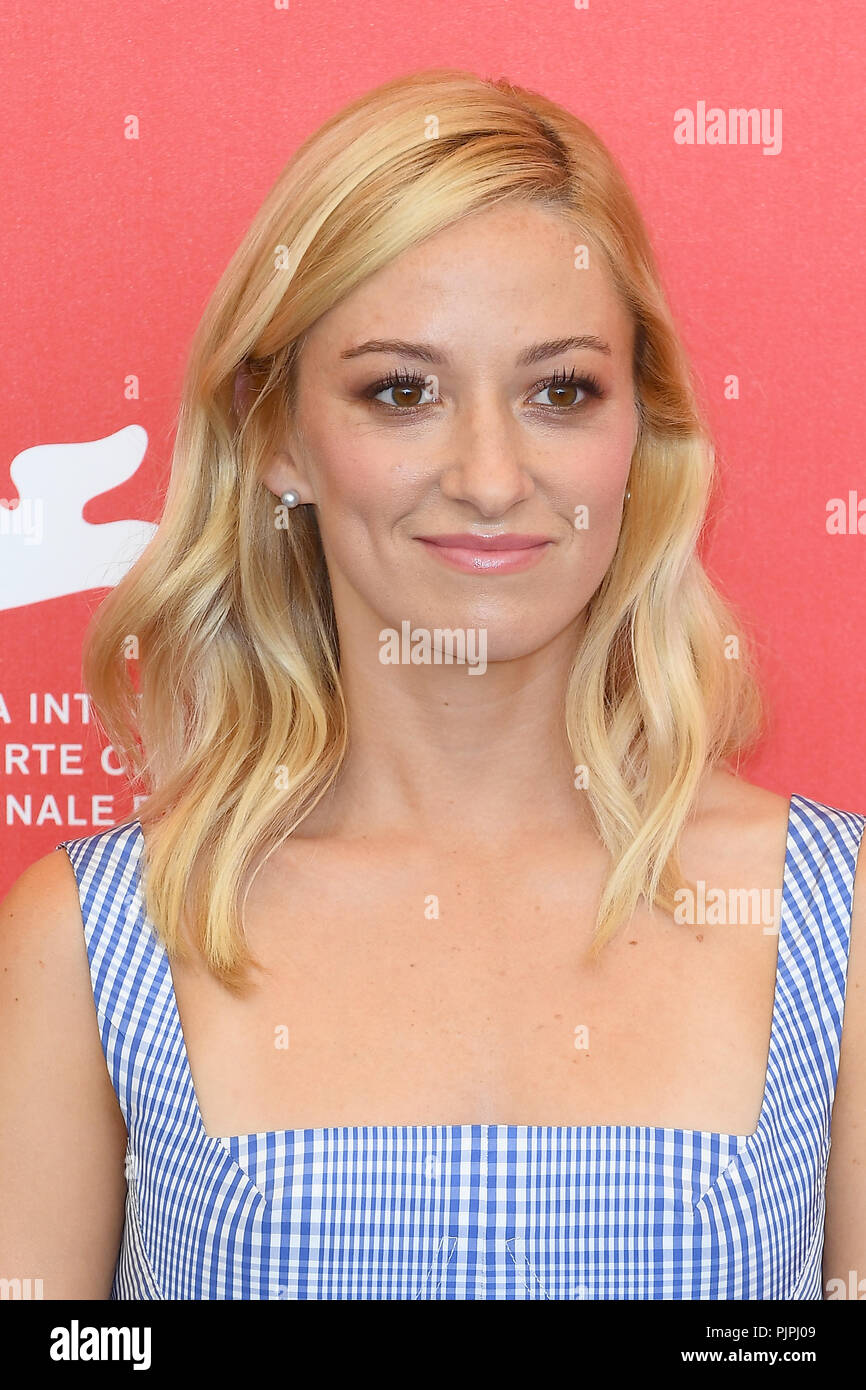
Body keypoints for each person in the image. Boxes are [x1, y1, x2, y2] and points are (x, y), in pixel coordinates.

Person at [1, 68, 863, 1301]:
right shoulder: (99, 938)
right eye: (400, 391)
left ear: (638, 432)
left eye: (558, 390)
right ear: (277, 438)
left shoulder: (832, 919)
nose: (490, 474)